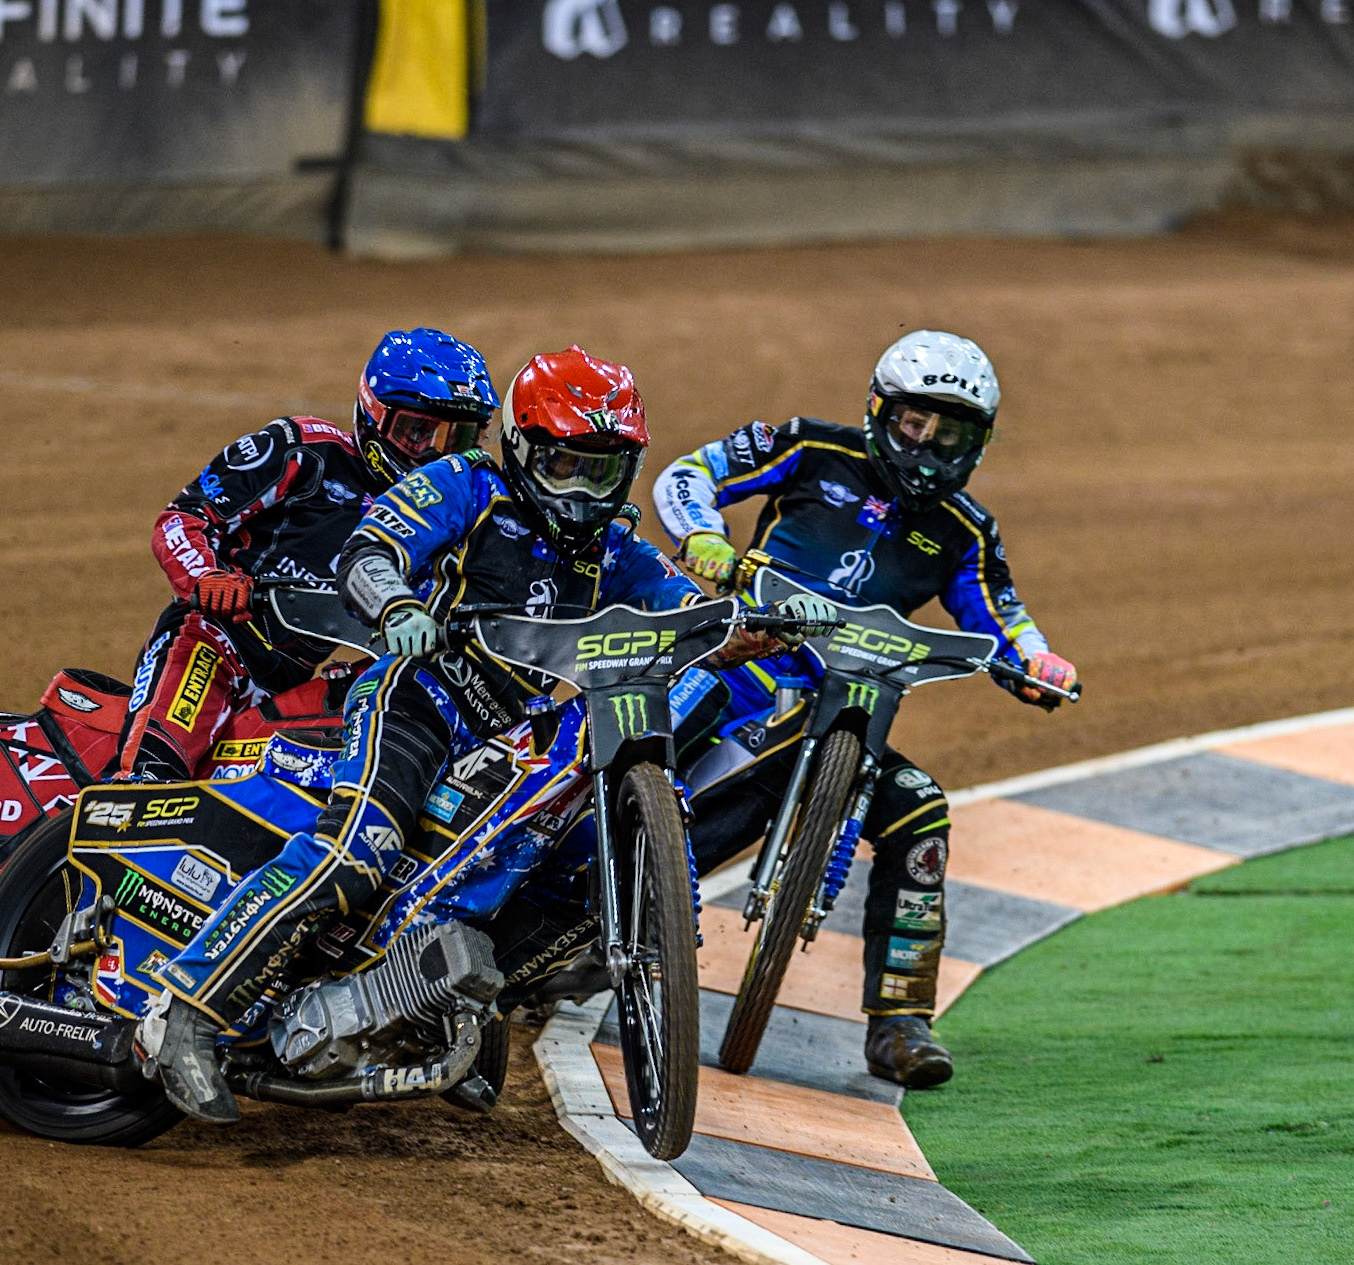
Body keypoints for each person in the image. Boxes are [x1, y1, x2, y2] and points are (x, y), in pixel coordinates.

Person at [141, 346, 808, 1124]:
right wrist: (395, 607)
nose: (583, 489)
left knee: (507, 878)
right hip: (414, 702)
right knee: (358, 851)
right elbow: (369, 547)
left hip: (504, 737)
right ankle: (182, 1012)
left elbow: (681, 621)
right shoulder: (463, 485)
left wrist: (756, 627)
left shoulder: (614, 550)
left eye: (603, 470)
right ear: (523, 447)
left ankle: (422, 1017)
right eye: (565, 463)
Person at [651, 330, 1078, 1089]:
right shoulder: (809, 448)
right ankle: (570, 893)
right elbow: (690, 472)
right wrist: (704, 541)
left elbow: (1002, 618)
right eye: (914, 421)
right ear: (881, 410)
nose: (926, 443)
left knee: (919, 812)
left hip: (848, 713)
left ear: (977, 440)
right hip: (737, 669)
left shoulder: (965, 531)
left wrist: (1038, 662)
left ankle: (900, 1021)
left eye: (950, 431)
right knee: (644, 748)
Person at [115, 328, 499, 781]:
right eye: (418, 431)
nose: (434, 455)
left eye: (459, 440)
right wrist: (206, 579)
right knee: (151, 778)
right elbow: (183, 519)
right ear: (374, 415)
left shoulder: (449, 519)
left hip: (298, 678)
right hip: (214, 643)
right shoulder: (306, 449)